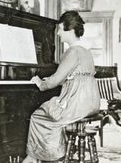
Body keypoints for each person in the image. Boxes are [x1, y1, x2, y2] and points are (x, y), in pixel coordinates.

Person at [22, 11, 101, 163]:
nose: (57, 33)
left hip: (78, 103)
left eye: (59, 29)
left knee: (39, 116)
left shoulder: (72, 51)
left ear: (70, 30)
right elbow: (76, 77)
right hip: (91, 102)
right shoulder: (85, 51)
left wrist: (40, 82)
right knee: (50, 112)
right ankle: (48, 154)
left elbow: (54, 82)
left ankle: (37, 157)